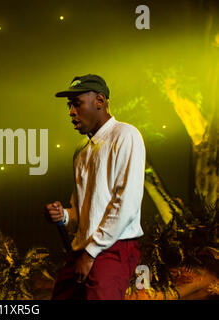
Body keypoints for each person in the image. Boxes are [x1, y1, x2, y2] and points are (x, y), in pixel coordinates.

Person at [44, 74, 146, 300]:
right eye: (69, 105)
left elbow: (126, 204)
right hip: (84, 248)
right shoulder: (81, 150)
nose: (71, 111)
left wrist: (90, 254)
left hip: (115, 247)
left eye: (76, 103)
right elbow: (82, 213)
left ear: (100, 101)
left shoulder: (126, 135)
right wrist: (64, 216)